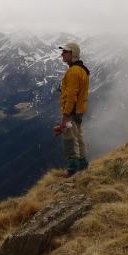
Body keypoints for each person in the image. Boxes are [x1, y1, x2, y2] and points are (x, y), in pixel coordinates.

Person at [56, 42, 90, 176]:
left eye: (65, 52)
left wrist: (65, 117)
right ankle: (83, 165)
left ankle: (72, 169)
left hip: (71, 112)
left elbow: (71, 96)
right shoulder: (82, 70)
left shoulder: (73, 72)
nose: (62, 54)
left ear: (73, 54)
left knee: (69, 139)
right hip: (79, 111)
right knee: (78, 137)